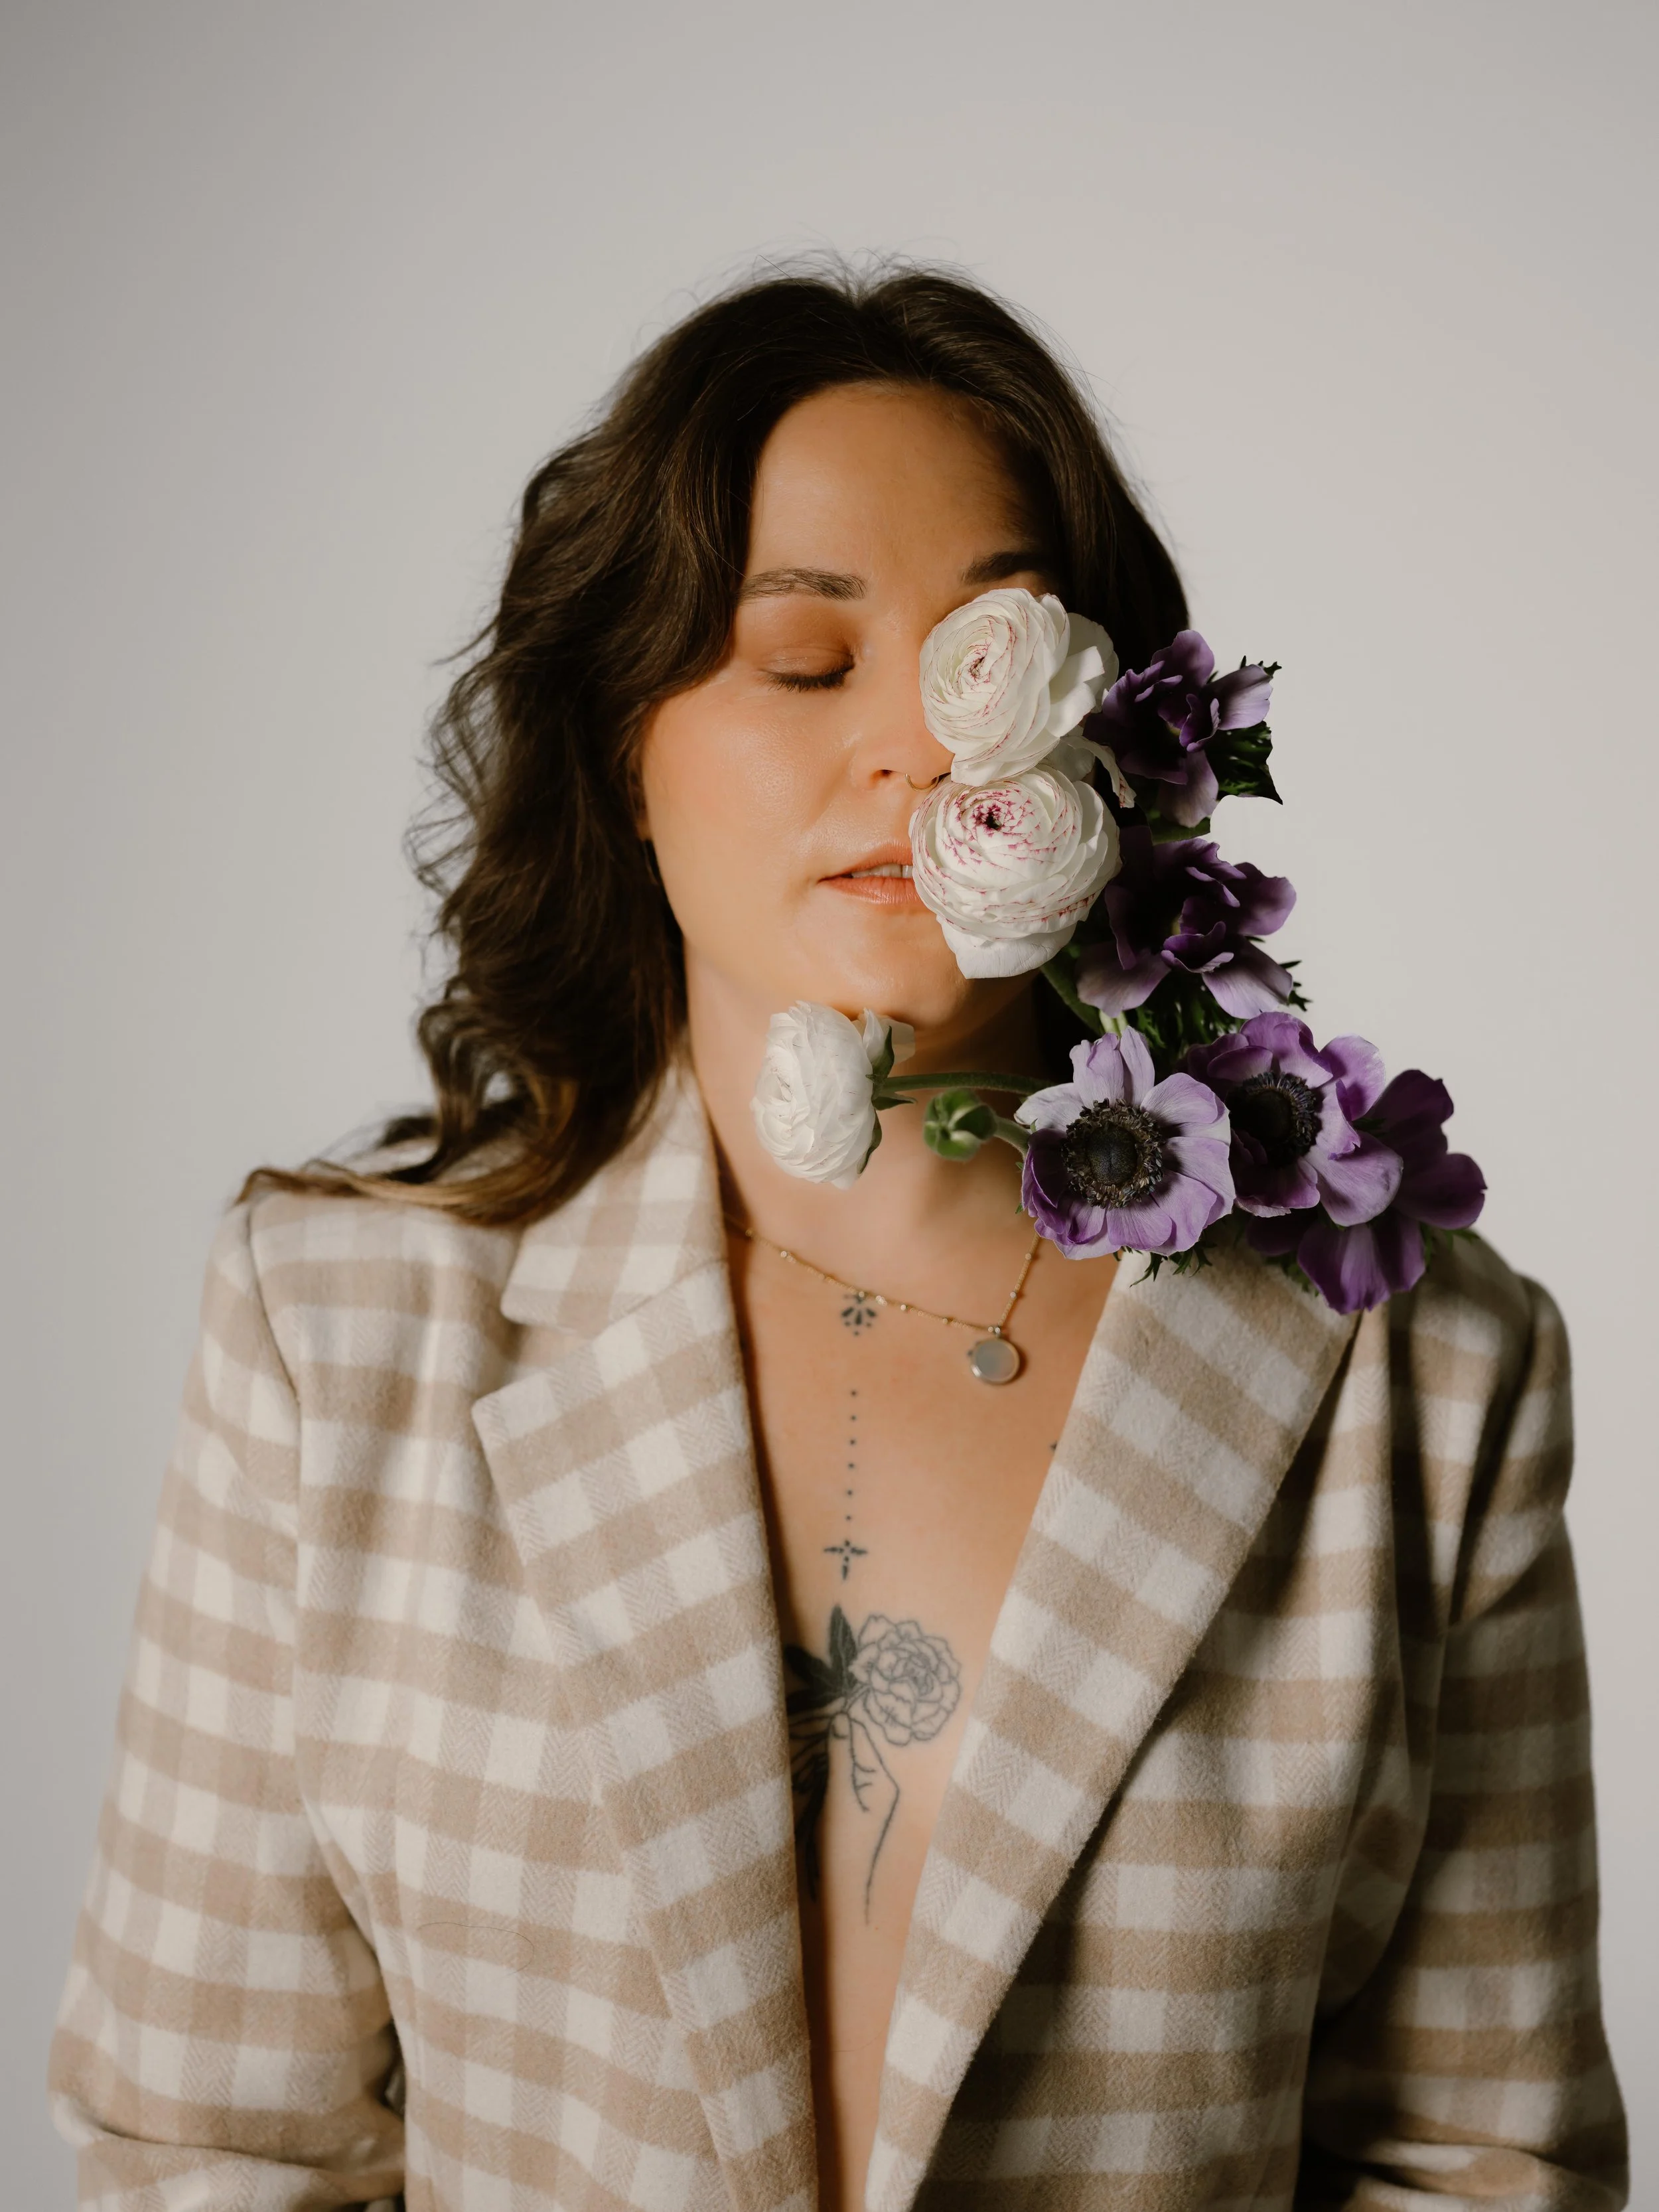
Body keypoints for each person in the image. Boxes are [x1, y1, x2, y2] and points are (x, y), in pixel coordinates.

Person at [50, 266, 1626, 2212]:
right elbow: (206, 2146)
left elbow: (1478, 2160)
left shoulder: (1423, 1379)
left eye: (999, 653)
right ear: (620, 749)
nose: (919, 745)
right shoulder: (334, 1328)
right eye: (805, 662)